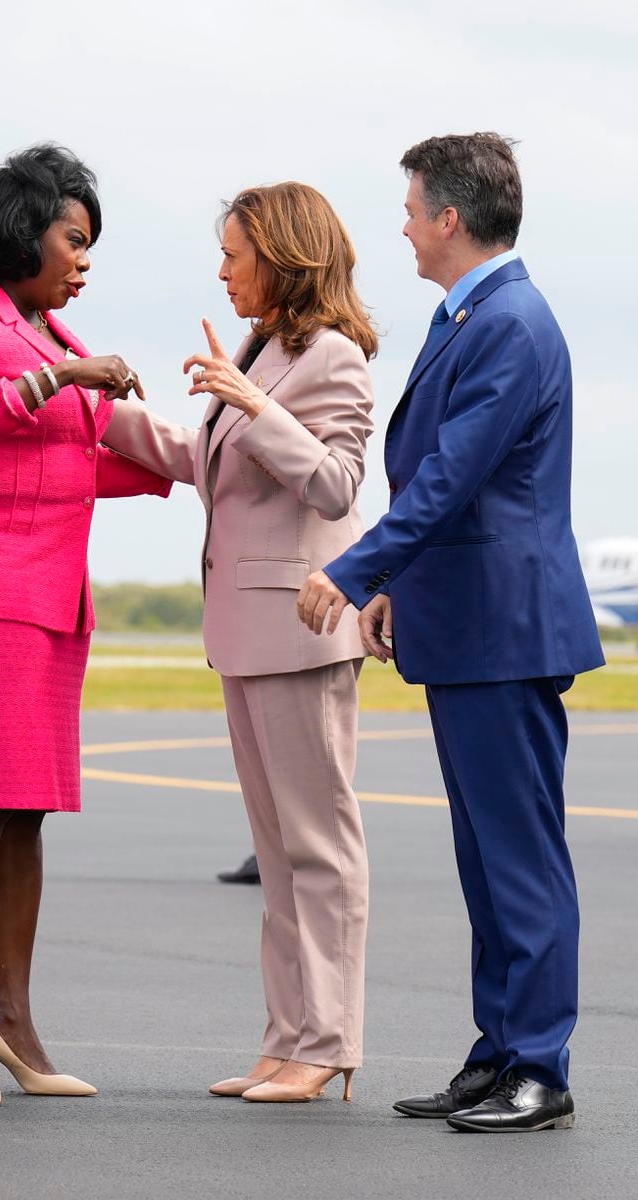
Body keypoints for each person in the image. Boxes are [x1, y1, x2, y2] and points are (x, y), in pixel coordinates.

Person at [298, 133, 604, 1132]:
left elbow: (450, 476)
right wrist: (403, 589)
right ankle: (499, 1048)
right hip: (469, 619)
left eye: (410, 206)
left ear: (448, 219)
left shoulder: (507, 321)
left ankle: (539, 1066)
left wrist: (354, 571)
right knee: (485, 856)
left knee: (518, 855)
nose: (401, 225)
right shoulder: (476, 313)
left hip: (503, 628)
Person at [0, 144, 172, 1105]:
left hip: (49, 591)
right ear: (24, 230)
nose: (84, 258)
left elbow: (64, 465)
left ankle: (11, 1015)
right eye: (73, 237)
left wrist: (193, 458)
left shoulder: (46, 327)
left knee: (25, 808)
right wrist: (62, 381)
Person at [102, 182, 376, 1103]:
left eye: (233, 254)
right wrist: (109, 412)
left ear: (284, 255)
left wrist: (255, 403)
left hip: (300, 634)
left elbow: (337, 487)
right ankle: (289, 1033)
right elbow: (205, 460)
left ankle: (330, 1041)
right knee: (276, 849)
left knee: (318, 849)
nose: (221, 271)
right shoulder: (260, 350)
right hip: (244, 634)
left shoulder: (330, 356)